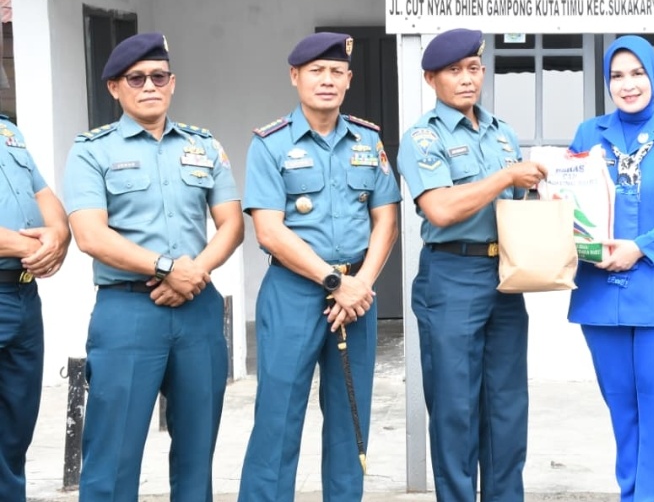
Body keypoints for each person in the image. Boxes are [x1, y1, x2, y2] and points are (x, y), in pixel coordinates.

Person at [63, 32, 244, 501]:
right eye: (136, 78)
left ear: (172, 83)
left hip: (197, 310)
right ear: (114, 87)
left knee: (197, 453)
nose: (149, 86)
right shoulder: (92, 150)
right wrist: (167, 268)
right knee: (113, 457)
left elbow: (231, 224)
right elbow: (90, 235)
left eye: (159, 77)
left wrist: (193, 274)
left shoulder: (204, 145)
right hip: (128, 312)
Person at [239, 32, 401, 501]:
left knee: (351, 417)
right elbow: (269, 231)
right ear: (295, 77)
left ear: (349, 80)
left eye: (336, 72)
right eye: (316, 71)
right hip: (294, 292)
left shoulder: (368, 140)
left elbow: (386, 219)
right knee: (278, 416)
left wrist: (360, 283)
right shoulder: (269, 144)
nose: (327, 80)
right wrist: (334, 282)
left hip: (357, 295)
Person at [397, 28, 546, 502]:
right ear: (431, 78)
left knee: (507, 408)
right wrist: (506, 175)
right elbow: (441, 209)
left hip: (505, 275)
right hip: (452, 275)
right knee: (455, 410)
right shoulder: (422, 137)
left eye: (474, 68)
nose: (467, 79)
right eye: (454, 70)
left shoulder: (502, 132)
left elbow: (519, 200)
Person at [567, 35, 654, 502]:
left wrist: (640, 248)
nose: (627, 85)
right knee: (623, 414)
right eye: (617, 76)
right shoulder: (589, 134)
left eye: (637, 73)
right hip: (602, 297)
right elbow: (570, 203)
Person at [0, 117, 70, 502]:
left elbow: (44, 196)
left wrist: (58, 234)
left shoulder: (8, 131)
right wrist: (30, 246)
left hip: (23, 296)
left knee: (15, 431)